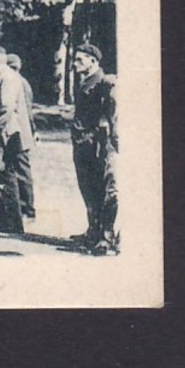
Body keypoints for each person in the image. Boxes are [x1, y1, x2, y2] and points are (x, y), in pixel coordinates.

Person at [69, 42, 119, 255]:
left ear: (93, 61)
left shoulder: (103, 83)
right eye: (75, 59)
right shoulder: (86, 81)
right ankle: (93, 230)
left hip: (94, 144)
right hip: (83, 143)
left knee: (99, 189)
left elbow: (108, 114)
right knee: (87, 189)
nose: (75, 63)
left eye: (80, 60)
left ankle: (103, 235)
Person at [0, 46, 35, 234]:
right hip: (8, 133)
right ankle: (5, 218)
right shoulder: (3, 76)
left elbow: (5, 107)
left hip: (10, 134)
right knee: (2, 175)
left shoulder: (7, 78)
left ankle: (13, 222)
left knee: (7, 175)